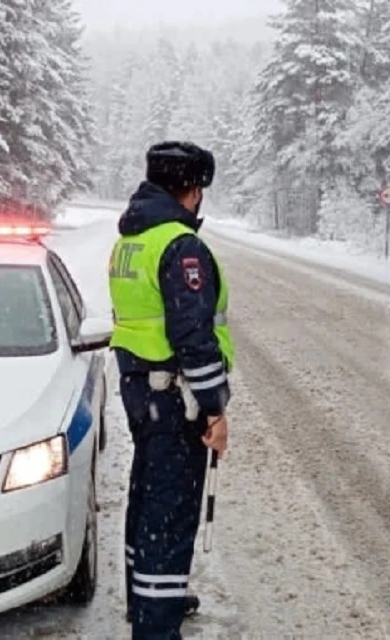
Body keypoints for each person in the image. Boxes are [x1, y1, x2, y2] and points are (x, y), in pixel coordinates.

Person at [108, 141, 234, 639]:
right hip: (174, 396)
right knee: (171, 511)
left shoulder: (131, 240)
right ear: (194, 190)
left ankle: (146, 602)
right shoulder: (181, 246)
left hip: (142, 390)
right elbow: (193, 337)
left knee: (146, 500)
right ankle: (158, 626)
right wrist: (214, 409)